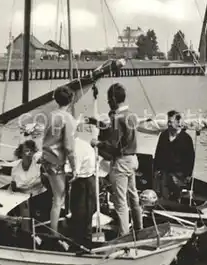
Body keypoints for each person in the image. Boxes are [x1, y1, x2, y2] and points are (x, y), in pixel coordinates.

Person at [91, 83, 143, 237]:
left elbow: (112, 145)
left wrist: (97, 143)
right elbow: (121, 136)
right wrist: (97, 123)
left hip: (121, 162)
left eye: (108, 100)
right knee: (133, 196)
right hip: (133, 160)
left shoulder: (117, 118)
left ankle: (124, 236)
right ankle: (139, 228)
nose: (108, 103)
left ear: (113, 99)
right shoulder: (130, 115)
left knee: (120, 202)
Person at [41, 85, 77, 236]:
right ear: (71, 100)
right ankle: (54, 234)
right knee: (58, 198)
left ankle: (56, 229)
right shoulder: (68, 118)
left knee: (56, 196)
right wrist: (75, 167)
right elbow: (69, 147)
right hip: (57, 161)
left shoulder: (50, 115)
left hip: (47, 158)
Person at [153, 110, 195, 201]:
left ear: (178, 122)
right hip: (165, 171)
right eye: (168, 121)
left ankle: (177, 201)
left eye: (171, 122)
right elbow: (158, 153)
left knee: (175, 191)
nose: (168, 124)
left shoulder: (186, 139)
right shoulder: (163, 135)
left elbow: (190, 158)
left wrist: (188, 175)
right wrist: (156, 169)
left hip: (179, 173)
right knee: (163, 191)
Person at [65, 132, 96, 247]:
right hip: (81, 181)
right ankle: (79, 242)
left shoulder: (77, 148)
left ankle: (83, 245)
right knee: (77, 214)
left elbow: (74, 173)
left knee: (82, 215)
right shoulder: (77, 145)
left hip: (85, 182)